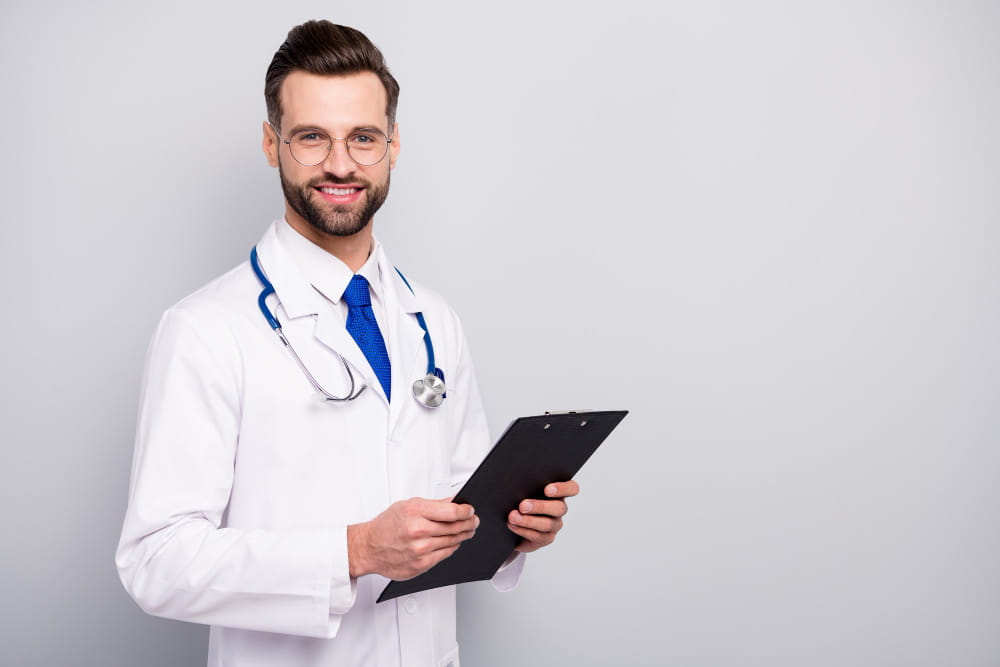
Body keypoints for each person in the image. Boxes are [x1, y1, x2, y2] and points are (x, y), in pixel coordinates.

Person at [115, 20, 579, 667]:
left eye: (363, 137)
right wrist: (354, 550)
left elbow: (462, 501)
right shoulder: (205, 329)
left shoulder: (433, 318)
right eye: (312, 137)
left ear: (393, 144)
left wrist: (513, 528)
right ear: (272, 143)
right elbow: (155, 561)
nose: (340, 164)